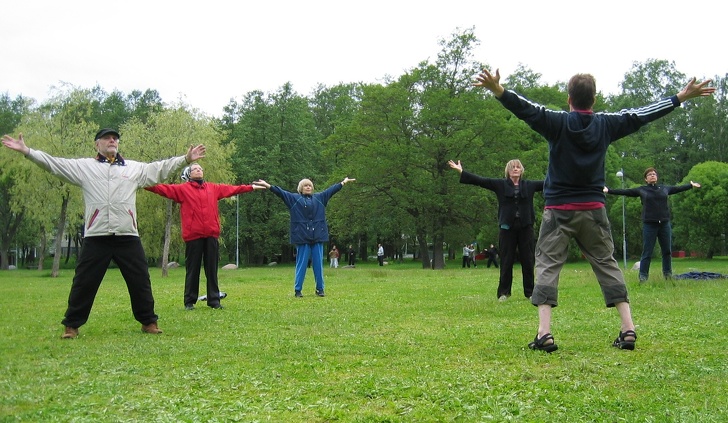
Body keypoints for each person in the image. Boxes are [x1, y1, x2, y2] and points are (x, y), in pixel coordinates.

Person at [474, 67, 714, 352]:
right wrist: (680, 97)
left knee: (547, 266)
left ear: (568, 99)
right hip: (594, 210)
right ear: (595, 99)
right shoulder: (606, 124)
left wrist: (499, 90)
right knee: (607, 263)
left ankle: (544, 334)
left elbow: (526, 109)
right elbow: (642, 114)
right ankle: (628, 329)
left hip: (559, 210)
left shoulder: (557, 122)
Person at [1, 129, 206, 338]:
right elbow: (54, 164)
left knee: (140, 280)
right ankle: (72, 325)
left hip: (127, 235)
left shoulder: (133, 169)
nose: (112, 141)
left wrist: (185, 159)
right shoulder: (84, 168)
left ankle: (148, 322)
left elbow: (160, 168)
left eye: (115, 139)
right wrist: (27, 151)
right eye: (107, 138)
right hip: (96, 236)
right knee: (83, 282)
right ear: (96, 144)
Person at [145, 163, 264, 310]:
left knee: (211, 269)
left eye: (200, 168)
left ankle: (214, 300)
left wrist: (251, 187)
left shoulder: (213, 188)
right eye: (195, 169)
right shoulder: (183, 189)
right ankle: (189, 301)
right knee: (192, 269)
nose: (198, 170)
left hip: (211, 234)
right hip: (193, 236)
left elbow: (232, 189)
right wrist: (142, 182)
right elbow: (162, 189)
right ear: (188, 174)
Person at [449, 159, 544, 301]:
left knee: (528, 260)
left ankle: (530, 293)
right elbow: (481, 181)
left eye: (518, 167)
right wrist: (461, 171)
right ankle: (503, 293)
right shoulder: (500, 185)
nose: (515, 169)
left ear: (522, 170)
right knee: (506, 260)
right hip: (507, 228)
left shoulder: (529, 185)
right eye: (512, 167)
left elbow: (550, 182)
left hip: (526, 227)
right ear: (508, 170)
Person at [253, 177, 355, 297]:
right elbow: (281, 193)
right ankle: (298, 290)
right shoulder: (294, 199)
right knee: (301, 265)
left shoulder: (320, 198)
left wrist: (343, 183)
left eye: (310, 185)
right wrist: (268, 186)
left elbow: (331, 190)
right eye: (305, 185)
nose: (308, 187)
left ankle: (320, 289)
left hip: (317, 236)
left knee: (318, 265)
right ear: (300, 188)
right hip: (302, 237)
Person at [605, 168, 700, 282]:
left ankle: (667, 275)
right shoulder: (642, 190)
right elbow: (625, 191)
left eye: (654, 174)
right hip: (649, 225)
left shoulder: (664, 188)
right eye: (649, 175)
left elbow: (677, 189)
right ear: (646, 179)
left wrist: (690, 185)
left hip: (664, 224)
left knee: (667, 251)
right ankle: (643, 276)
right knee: (647, 251)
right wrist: (609, 190)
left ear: (657, 177)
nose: (652, 176)